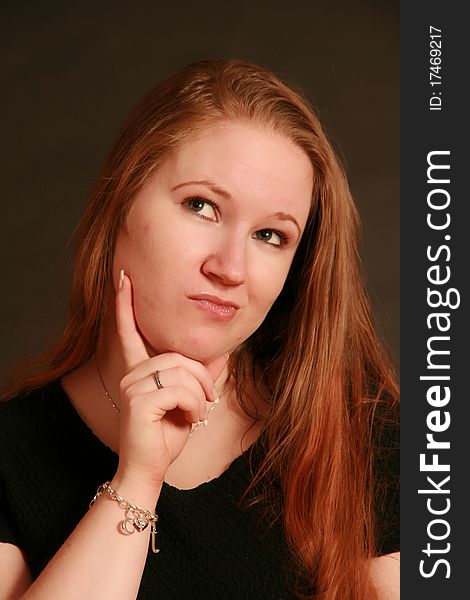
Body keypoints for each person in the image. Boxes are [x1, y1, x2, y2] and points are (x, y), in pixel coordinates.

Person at [0, 59, 399, 599]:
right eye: (201, 206)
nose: (230, 268)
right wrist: (137, 481)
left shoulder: (370, 439)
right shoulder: (9, 454)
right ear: (121, 201)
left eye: (270, 236)